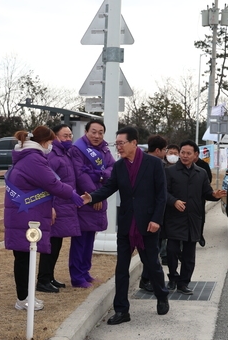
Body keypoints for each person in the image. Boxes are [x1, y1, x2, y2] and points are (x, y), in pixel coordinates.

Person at [82, 126, 170, 324]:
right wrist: (92, 197)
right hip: (126, 224)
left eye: (121, 143)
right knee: (121, 268)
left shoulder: (154, 164)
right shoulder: (119, 166)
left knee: (152, 264)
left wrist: (156, 219)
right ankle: (122, 311)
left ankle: (162, 295)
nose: (118, 147)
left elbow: (161, 195)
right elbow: (109, 187)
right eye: (117, 144)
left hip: (148, 224)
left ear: (134, 143)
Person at [4, 126, 84, 310]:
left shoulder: (28, 156)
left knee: (26, 257)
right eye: (50, 142)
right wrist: (72, 195)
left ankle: (27, 296)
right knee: (24, 258)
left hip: (23, 213)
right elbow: (52, 183)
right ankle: (23, 299)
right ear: (43, 141)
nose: (50, 146)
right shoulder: (33, 158)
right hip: (24, 215)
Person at [163, 140, 226, 295]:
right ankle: (172, 277)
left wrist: (214, 195)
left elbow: (206, 192)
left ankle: (184, 283)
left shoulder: (201, 173)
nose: (184, 156)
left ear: (195, 155)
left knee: (189, 255)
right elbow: (163, 193)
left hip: (193, 219)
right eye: (182, 153)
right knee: (171, 250)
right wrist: (174, 201)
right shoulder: (170, 171)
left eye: (188, 153)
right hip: (174, 218)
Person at [70, 119, 115, 287]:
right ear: (86, 132)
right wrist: (95, 196)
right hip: (85, 199)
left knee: (90, 239)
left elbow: (112, 167)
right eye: (93, 132)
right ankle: (77, 276)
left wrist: (101, 175)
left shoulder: (104, 148)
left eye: (100, 132)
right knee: (80, 240)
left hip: (98, 197)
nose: (97, 135)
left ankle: (85, 271)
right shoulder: (78, 149)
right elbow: (80, 175)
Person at [36, 124, 81, 293]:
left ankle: (50, 277)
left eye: (70, 135)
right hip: (56, 205)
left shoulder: (65, 153)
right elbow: (48, 182)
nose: (68, 139)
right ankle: (43, 279)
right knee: (50, 244)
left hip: (65, 205)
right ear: (54, 137)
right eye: (65, 136)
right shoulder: (52, 155)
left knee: (57, 243)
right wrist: (50, 206)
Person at [139, 135, 168, 292]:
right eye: (164, 150)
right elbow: (161, 193)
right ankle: (147, 280)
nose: (166, 153)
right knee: (151, 250)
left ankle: (146, 279)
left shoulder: (141, 162)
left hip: (147, 214)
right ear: (158, 150)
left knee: (150, 250)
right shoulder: (157, 165)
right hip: (151, 215)